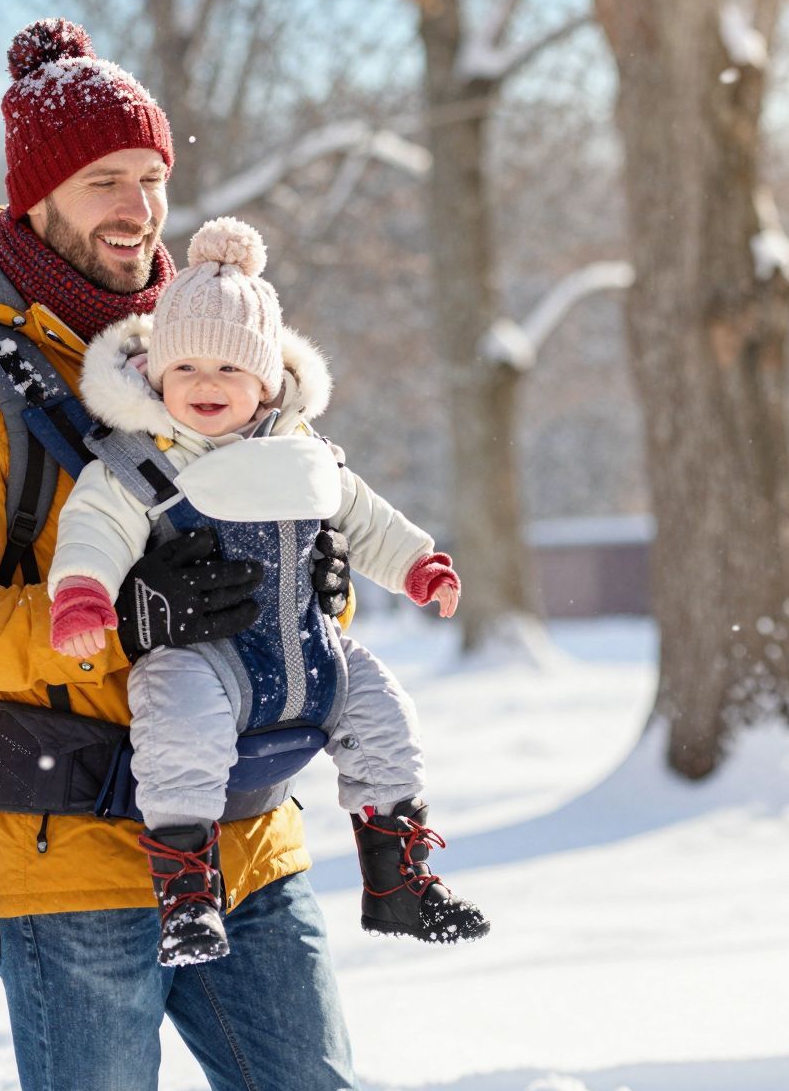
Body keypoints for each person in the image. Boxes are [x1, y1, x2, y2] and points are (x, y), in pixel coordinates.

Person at [0, 18, 369, 1091]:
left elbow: (301, 544)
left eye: (150, 179)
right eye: (103, 182)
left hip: (242, 828)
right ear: (35, 198)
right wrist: (114, 619)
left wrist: (320, 576)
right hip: (65, 842)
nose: (137, 208)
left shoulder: (217, 356)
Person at [48, 214, 491, 966]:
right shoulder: (144, 463)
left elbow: (363, 514)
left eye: (228, 371)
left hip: (306, 648)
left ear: (266, 380)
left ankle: (397, 881)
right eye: (184, 370)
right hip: (201, 657)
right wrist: (83, 594)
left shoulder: (304, 451)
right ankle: (188, 897)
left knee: (385, 715)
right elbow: (93, 530)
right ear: (155, 375)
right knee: (175, 732)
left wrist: (417, 564)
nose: (205, 386)